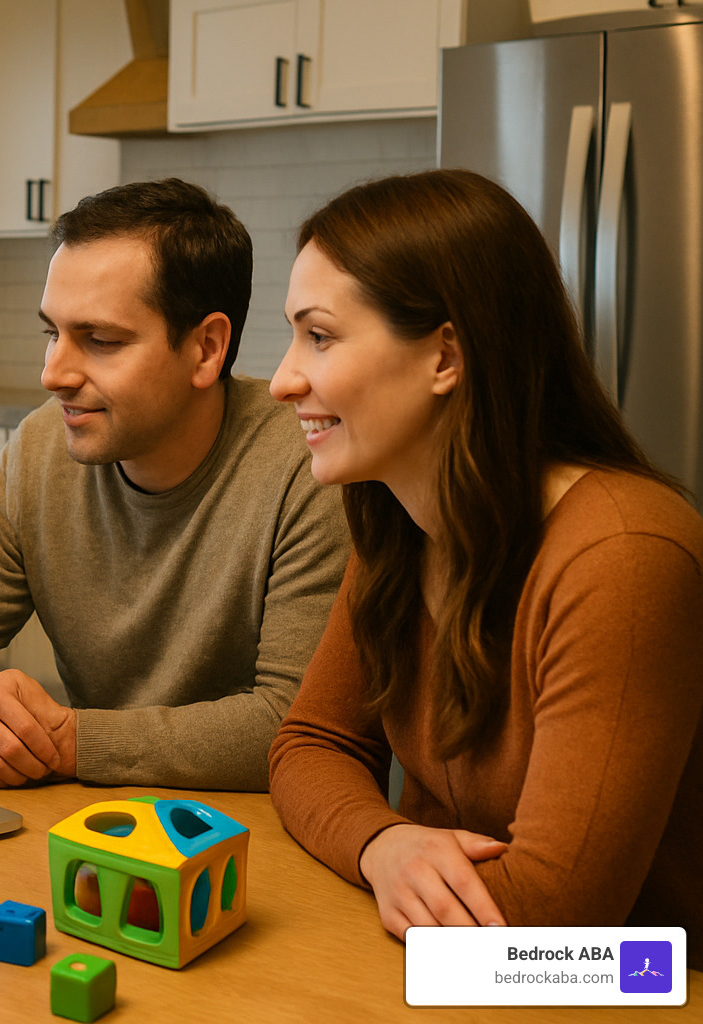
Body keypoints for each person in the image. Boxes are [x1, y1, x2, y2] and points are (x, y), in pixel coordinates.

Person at [266, 169, 702, 962]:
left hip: (628, 993)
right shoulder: (400, 524)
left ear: (445, 356)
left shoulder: (625, 557)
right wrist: (382, 843)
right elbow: (310, 745)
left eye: (319, 336)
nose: (282, 379)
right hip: (455, 972)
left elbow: (555, 919)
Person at [0, 178, 350, 791]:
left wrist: (67, 742)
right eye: (52, 333)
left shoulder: (308, 468)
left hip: (243, 836)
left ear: (207, 349)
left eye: (100, 341)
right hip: (87, 824)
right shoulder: (40, 449)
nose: (52, 374)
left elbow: (289, 725)